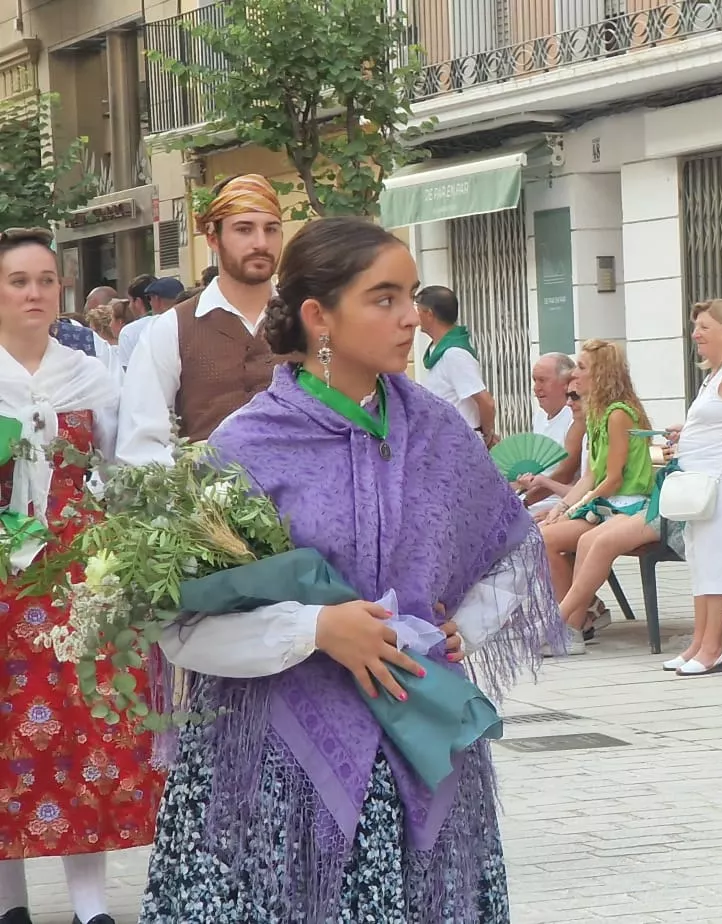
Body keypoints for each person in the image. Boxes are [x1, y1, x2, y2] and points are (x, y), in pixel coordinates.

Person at [138, 217, 557, 923]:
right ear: (317, 316)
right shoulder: (246, 447)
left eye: (412, 296)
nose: (409, 320)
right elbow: (182, 625)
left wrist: (466, 628)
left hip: (423, 755)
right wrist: (317, 628)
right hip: (276, 774)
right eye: (384, 298)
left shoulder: (439, 430)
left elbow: (514, 547)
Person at [0, 229, 155, 924]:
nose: (33, 292)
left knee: (83, 728)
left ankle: (92, 906)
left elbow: (122, 473)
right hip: (3, 574)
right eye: (17, 280)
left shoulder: (94, 377)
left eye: (44, 279)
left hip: (76, 574)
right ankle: (11, 904)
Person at [118, 174, 291, 466]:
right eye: (244, 229)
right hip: (206, 504)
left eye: (271, 229)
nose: (261, 243)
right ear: (213, 237)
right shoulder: (171, 329)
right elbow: (139, 448)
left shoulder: (309, 322)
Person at [650, 298, 722, 676]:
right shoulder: (716, 375)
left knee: (715, 563)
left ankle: (712, 647)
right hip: (701, 486)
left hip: (720, 484)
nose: (696, 334)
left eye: (705, 327)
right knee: (700, 561)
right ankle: (700, 641)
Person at [536, 338, 652, 657]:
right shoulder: (598, 415)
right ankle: (576, 620)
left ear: (601, 374)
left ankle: (569, 626)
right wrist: (561, 508)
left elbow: (612, 480)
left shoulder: (618, 414)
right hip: (604, 507)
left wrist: (574, 508)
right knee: (544, 536)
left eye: (582, 367)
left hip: (625, 507)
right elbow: (589, 476)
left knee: (569, 540)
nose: (575, 372)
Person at [416, 285, 498, 446]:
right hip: (443, 440)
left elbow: (486, 402)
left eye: (417, 310)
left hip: (459, 442)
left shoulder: (455, 354)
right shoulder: (437, 350)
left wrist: (487, 435)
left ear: (429, 314)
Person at [519, 351, 580, 514]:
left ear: (564, 384)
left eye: (543, 381)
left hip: (558, 501)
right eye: (534, 380)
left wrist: (524, 501)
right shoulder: (539, 416)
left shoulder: (575, 418)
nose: (536, 388)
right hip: (532, 498)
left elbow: (564, 474)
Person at [118, 277, 186, 371]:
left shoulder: (131, 331)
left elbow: (128, 371)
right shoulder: (190, 323)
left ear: (156, 299)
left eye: (150, 298)